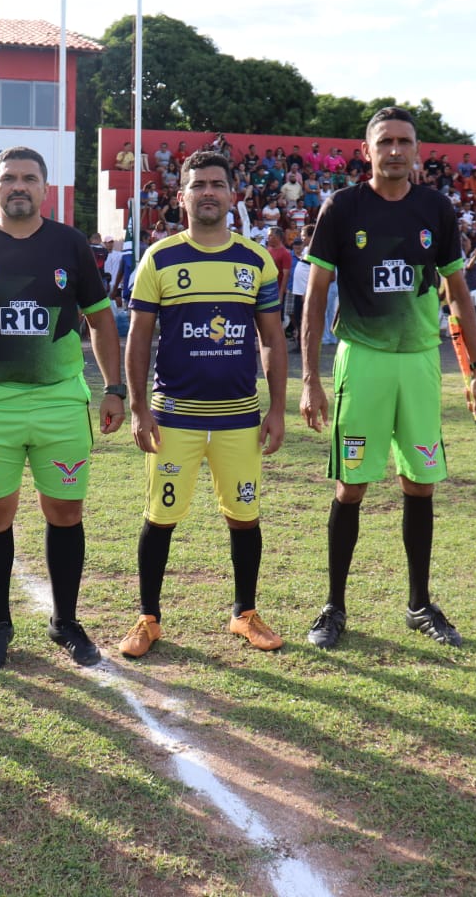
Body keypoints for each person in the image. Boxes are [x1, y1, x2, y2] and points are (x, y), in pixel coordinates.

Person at [299, 107, 476, 650]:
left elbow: (458, 295)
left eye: (404, 141)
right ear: (367, 151)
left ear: (417, 150)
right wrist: (309, 379)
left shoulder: (437, 209)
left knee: (420, 482)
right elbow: (315, 299)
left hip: (419, 361)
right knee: (351, 485)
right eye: (385, 142)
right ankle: (334, 606)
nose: (395, 150)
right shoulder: (342, 207)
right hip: (363, 358)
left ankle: (418, 604)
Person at [0, 147, 126, 669]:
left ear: (45, 188)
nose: (19, 186)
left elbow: (102, 321)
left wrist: (115, 387)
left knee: (65, 511)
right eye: (9, 178)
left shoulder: (70, 245)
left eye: (29, 178)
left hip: (61, 401)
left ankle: (66, 621)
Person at [117, 151, 289, 659]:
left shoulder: (254, 260)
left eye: (217, 183)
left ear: (233, 195)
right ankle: (148, 618)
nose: (208, 192)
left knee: (245, 515)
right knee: (160, 515)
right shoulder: (160, 258)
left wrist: (276, 408)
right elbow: (139, 338)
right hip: (174, 416)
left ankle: (245, 613)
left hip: (239, 417)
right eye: (198, 185)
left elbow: (272, 339)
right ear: (182, 196)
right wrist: (137, 408)